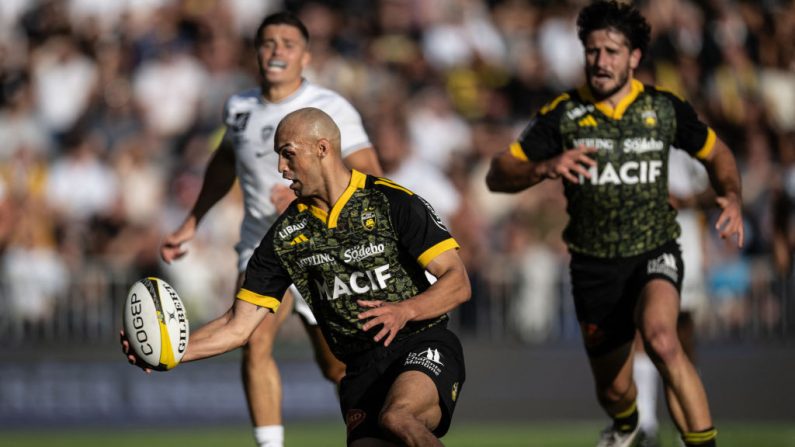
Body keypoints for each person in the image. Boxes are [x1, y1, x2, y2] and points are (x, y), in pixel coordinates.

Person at [126, 107, 470, 447]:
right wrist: (169, 351)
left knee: (399, 418)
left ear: (323, 149)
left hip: (420, 344)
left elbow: (457, 281)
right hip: (360, 370)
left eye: (288, 154)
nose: (281, 168)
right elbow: (238, 324)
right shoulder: (286, 236)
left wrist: (404, 310)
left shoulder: (391, 202)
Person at [485, 2, 744, 447]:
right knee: (615, 388)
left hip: (654, 248)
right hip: (593, 266)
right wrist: (546, 166)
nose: (601, 61)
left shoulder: (663, 109)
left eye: (612, 51)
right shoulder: (563, 114)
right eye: (593, 51)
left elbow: (717, 153)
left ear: (634, 57)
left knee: (663, 341)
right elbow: (498, 174)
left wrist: (732, 195)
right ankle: (626, 426)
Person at [158, 12, 382, 447]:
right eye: (268, 42)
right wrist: (191, 222)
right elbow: (225, 163)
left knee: (336, 367)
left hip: (322, 248)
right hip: (264, 248)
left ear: (306, 56)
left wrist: (308, 195)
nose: (277, 49)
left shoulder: (331, 108)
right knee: (254, 344)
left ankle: (371, 434)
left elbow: (372, 175)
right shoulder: (238, 107)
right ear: (256, 52)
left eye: (288, 42)